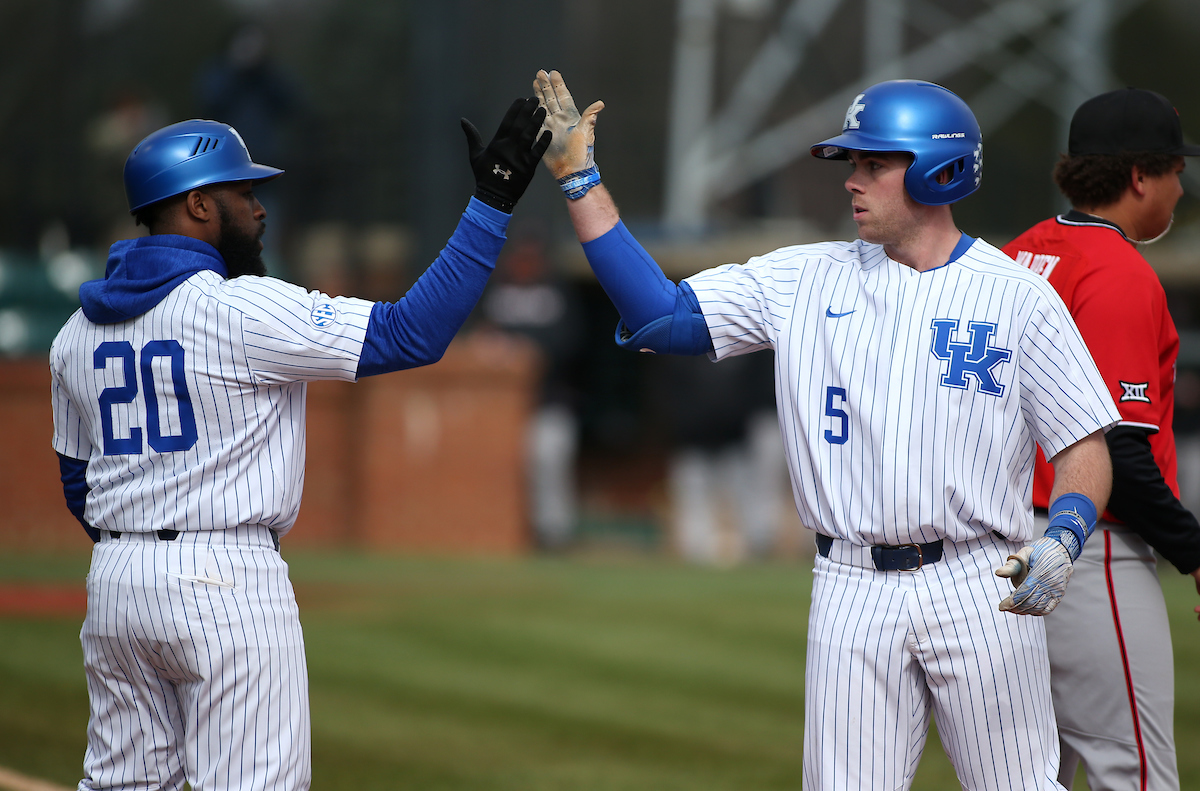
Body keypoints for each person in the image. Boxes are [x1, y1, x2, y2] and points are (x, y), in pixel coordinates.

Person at [532, 69, 1120, 790]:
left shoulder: (1019, 296)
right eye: (853, 163)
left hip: (980, 580)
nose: (853, 180)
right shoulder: (804, 276)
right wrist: (578, 180)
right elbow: (659, 316)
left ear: (938, 172)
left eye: (875, 163)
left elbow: (1083, 447)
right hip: (850, 583)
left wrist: (1063, 540)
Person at [51, 101, 550, 790]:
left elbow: (78, 482)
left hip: (115, 584)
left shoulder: (76, 331)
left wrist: (135, 551)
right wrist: (492, 203)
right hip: (226, 581)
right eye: (244, 193)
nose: (259, 211)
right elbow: (412, 334)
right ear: (197, 205)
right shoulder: (242, 308)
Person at [1002, 87, 1200, 791]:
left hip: (997, 546)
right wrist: (1193, 550)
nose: (1181, 186)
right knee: (1135, 774)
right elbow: (1116, 449)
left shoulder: (1019, 252)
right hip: (1088, 548)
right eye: (1176, 170)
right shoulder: (1118, 272)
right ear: (1140, 176)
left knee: (1029, 774)